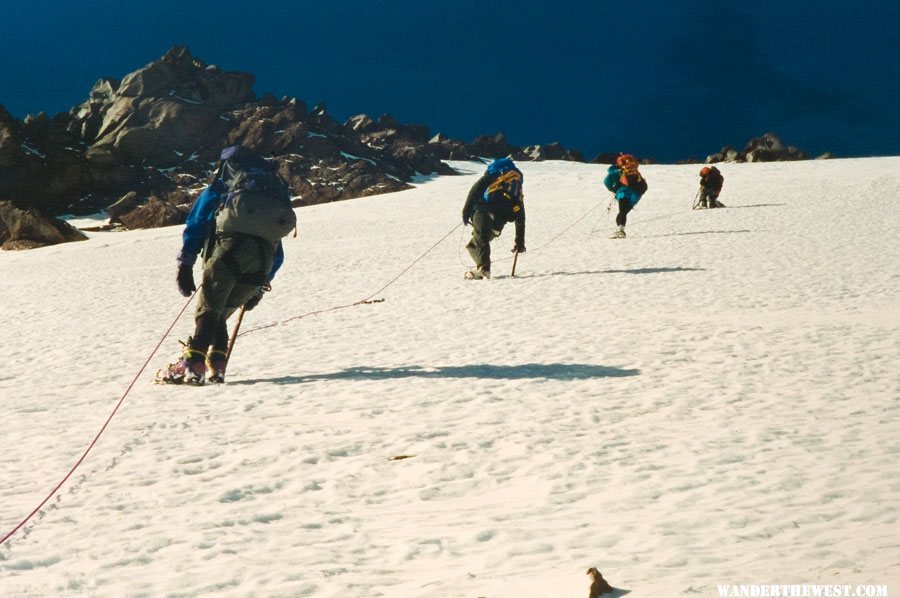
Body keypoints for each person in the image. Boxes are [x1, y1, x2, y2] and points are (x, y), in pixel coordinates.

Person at [164, 145, 295, 385]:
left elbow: (197, 223)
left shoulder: (220, 189)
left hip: (226, 250)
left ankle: (193, 365)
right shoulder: (272, 195)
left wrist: (185, 264)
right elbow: (278, 249)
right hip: (262, 261)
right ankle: (217, 365)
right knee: (219, 313)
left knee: (209, 310)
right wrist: (260, 286)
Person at [461, 157, 526, 279]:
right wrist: (520, 242)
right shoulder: (516, 187)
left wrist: (466, 211)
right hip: (499, 223)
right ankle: (481, 269)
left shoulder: (493, 173)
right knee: (473, 245)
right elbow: (520, 217)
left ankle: (484, 269)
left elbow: (476, 189)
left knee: (481, 238)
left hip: (484, 212)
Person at [603, 153, 648, 238]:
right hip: (636, 195)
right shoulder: (634, 171)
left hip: (624, 192)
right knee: (623, 212)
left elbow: (606, 181)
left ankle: (620, 231)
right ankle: (619, 229)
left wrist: (612, 189)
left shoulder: (617, 171)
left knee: (622, 211)